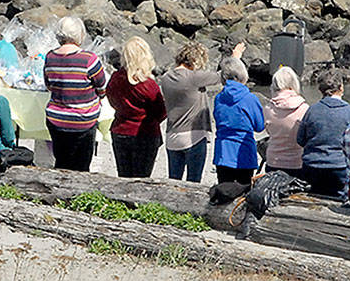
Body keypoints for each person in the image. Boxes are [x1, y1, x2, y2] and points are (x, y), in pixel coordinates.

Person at [161, 41, 243, 183]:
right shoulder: (193, 78)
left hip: (172, 137)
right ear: (196, 60)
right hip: (194, 135)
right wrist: (235, 57)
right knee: (193, 181)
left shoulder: (166, 78)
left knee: (173, 181)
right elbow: (223, 75)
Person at [42, 16, 106, 172]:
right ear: (80, 35)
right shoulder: (89, 60)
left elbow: (49, 85)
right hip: (83, 120)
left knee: (61, 162)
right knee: (82, 166)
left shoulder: (50, 57)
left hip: (56, 119)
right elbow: (102, 89)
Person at [106, 36, 167, 178]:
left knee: (123, 176)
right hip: (145, 132)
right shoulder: (148, 85)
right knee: (142, 178)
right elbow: (161, 112)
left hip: (121, 129)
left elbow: (112, 100)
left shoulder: (116, 78)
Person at [296, 67, 350, 197]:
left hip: (312, 166)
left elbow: (300, 140)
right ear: (341, 88)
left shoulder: (312, 110)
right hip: (339, 167)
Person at [211, 56, 264, 185]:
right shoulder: (250, 98)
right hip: (244, 152)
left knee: (224, 192)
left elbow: (218, 119)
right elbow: (259, 126)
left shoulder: (218, 98)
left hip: (223, 152)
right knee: (243, 193)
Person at [263, 66, 308, 176]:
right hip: (297, 162)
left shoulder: (268, 109)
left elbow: (267, 131)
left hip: (273, 161)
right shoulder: (304, 108)